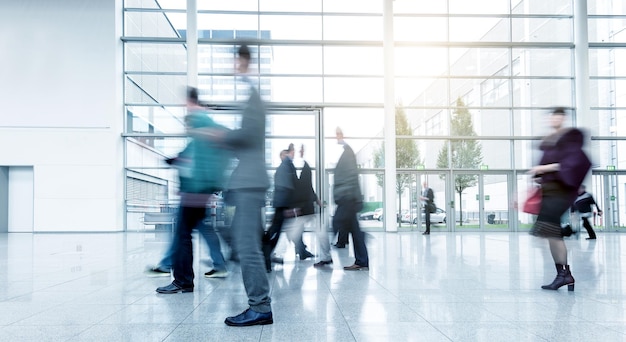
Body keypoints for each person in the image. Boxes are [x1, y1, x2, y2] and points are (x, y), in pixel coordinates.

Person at [205, 44, 273, 326]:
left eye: (236, 61)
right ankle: (259, 304)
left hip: (250, 184)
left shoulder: (254, 98)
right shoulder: (251, 95)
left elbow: (248, 136)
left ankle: (260, 307)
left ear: (243, 61)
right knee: (242, 243)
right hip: (246, 183)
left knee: (246, 247)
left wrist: (222, 136)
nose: (233, 66)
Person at [156, 87, 230, 294]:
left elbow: (197, 162)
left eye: (184, 103)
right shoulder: (207, 127)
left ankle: (183, 281)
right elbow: (195, 157)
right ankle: (204, 271)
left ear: (190, 102)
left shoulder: (199, 122)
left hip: (194, 192)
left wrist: (193, 182)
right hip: (201, 192)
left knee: (181, 236)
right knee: (191, 233)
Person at [528, 108, 591, 291]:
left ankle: (564, 274)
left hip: (560, 192)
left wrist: (543, 169)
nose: (554, 118)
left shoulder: (570, 139)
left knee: (550, 231)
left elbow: (570, 164)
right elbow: (543, 167)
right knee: (551, 234)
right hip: (549, 192)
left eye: (558, 115)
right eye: (552, 115)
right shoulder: (549, 142)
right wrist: (539, 173)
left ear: (563, 119)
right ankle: (564, 275)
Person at [263, 147, 313, 272]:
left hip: (284, 204)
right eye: (287, 155)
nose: (290, 156)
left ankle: (301, 251)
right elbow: (286, 187)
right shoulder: (285, 167)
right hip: (283, 206)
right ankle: (265, 255)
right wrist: (290, 207)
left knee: (291, 230)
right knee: (275, 232)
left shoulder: (286, 168)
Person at [333, 127, 369, 271]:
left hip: (347, 198)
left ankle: (325, 257)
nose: (336, 137)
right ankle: (362, 261)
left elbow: (351, 176)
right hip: (348, 198)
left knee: (335, 223)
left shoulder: (348, 152)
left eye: (338, 135)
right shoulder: (347, 153)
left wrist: (346, 195)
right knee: (355, 230)